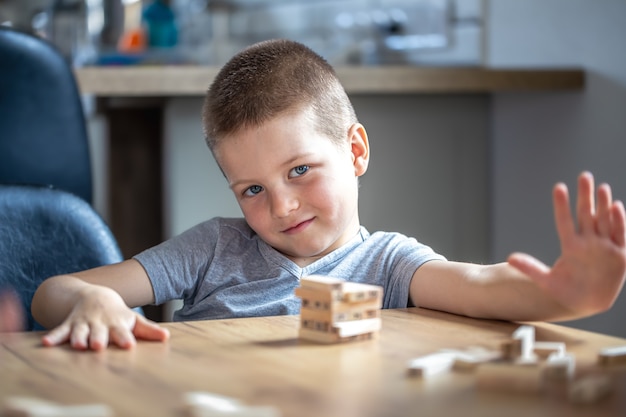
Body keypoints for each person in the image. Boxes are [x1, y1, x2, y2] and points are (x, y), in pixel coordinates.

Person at [31, 39, 626, 351]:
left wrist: (569, 292)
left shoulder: (390, 263)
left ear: (357, 151)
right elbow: (52, 294)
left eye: (300, 171)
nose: (281, 207)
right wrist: (93, 302)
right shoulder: (213, 248)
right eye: (253, 189)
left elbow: (479, 286)